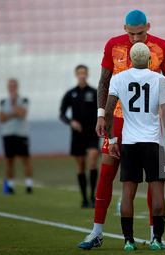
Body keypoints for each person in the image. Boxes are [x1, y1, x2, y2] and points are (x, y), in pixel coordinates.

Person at [79, 9, 165, 250]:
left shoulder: (162, 47)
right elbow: (103, 81)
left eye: (141, 33)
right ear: (125, 29)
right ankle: (97, 232)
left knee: (151, 179)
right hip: (117, 121)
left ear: (148, 26)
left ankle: (155, 235)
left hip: (147, 122)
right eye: (132, 33)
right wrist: (100, 115)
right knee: (106, 174)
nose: (136, 38)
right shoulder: (113, 45)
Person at [106, 43, 165, 250]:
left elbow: (108, 112)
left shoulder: (117, 79)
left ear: (130, 59)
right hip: (153, 142)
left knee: (128, 192)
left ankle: (128, 240)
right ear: (150, 60)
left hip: (128, 142)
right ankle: (157, 239)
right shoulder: (160, 79)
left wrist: (112, 141)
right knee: (157, 190)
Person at [60, 65, 99, 208]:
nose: (82, 75)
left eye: (84, 73)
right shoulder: (71, 94)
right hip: (77, 135)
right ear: (76, 75)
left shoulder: (94, 92)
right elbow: (62, 113)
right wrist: (71, 122)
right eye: (79, 73)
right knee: (81, 165)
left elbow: (102, 110)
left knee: (92, 161)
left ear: (87, 74)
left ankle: (93, 197)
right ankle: (84, 199)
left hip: (92, 133)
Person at [0, 79, 33, 194]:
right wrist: (14, 114)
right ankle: (11, 186)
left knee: (25, 159)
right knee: (9, 160)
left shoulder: (23, 100)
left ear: (17, 86)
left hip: (21, 134)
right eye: (9, 86)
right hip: (8, 134)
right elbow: (1, 118)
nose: (11, 88)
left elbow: (23, 114)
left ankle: (28, 185)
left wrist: (13, 105)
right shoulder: (3, 102)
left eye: (13, 86)